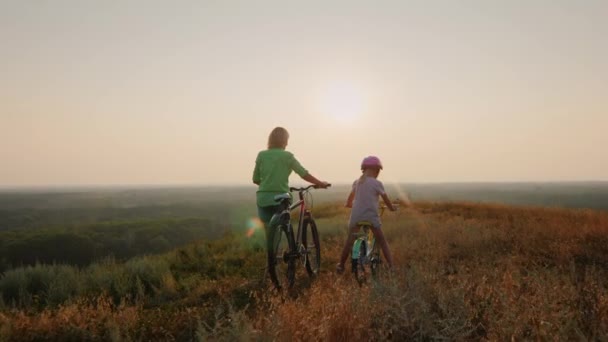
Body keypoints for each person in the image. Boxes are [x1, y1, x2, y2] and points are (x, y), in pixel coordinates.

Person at [252, 127, 329, 271]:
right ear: (284, 141)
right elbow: (303, 174)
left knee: (270, 233)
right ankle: (291, 255)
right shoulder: (287, 156)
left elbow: (256, 179)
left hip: (262, 199)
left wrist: (268, 184)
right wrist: (319, 183)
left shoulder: (261, 155)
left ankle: (272, 262)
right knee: (285, 226)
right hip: (281, 198)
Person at [336, 156, 397, 274]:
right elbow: (386, 199)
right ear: (376, 170)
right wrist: (391, 208)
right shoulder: (377, 183)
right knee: (382, 240)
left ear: (363, 169)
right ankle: (391, 267)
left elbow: (349, 201)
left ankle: (341, 265)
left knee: (349, 240)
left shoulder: (357, 182)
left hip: (356, 216)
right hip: (371, 216)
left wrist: (350, 205)